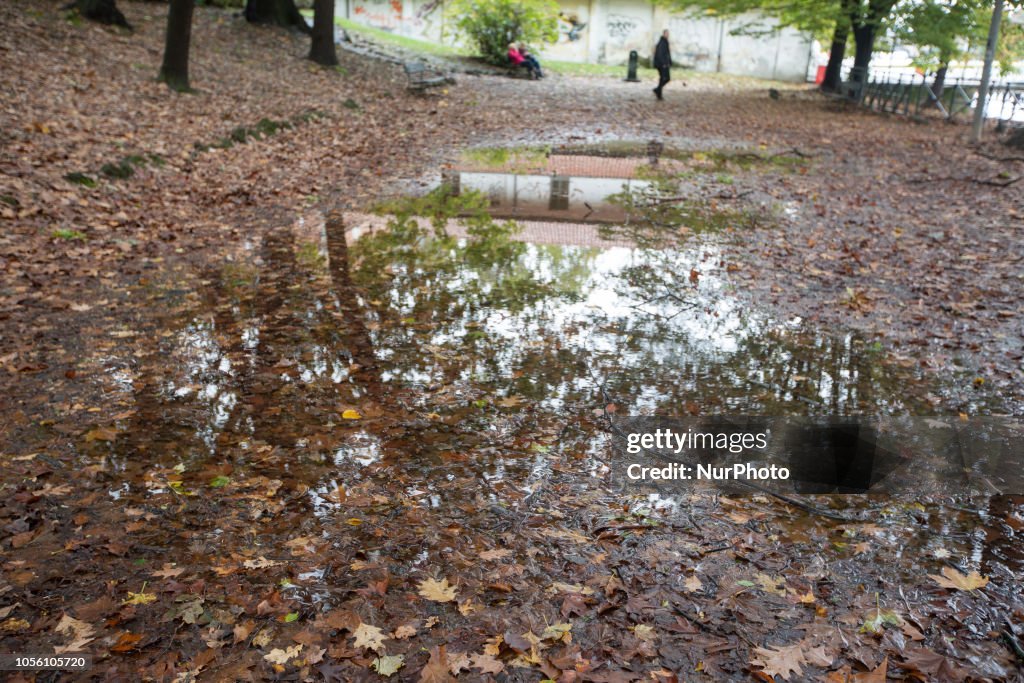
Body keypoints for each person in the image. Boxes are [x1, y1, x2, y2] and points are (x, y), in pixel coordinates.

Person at [653, 29, 671, 100]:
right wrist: (663, 63)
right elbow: (660, 54)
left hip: (664, 63)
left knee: (665, 78)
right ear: (664, 34)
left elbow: (667, 54)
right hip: (661, 64)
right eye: (666, 33)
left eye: (668, 34)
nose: (668, 35)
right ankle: (658, 92)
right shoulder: (662, 42)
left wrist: (669, 62)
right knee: (664, 78)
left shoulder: (665, 42)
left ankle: (658, 90)